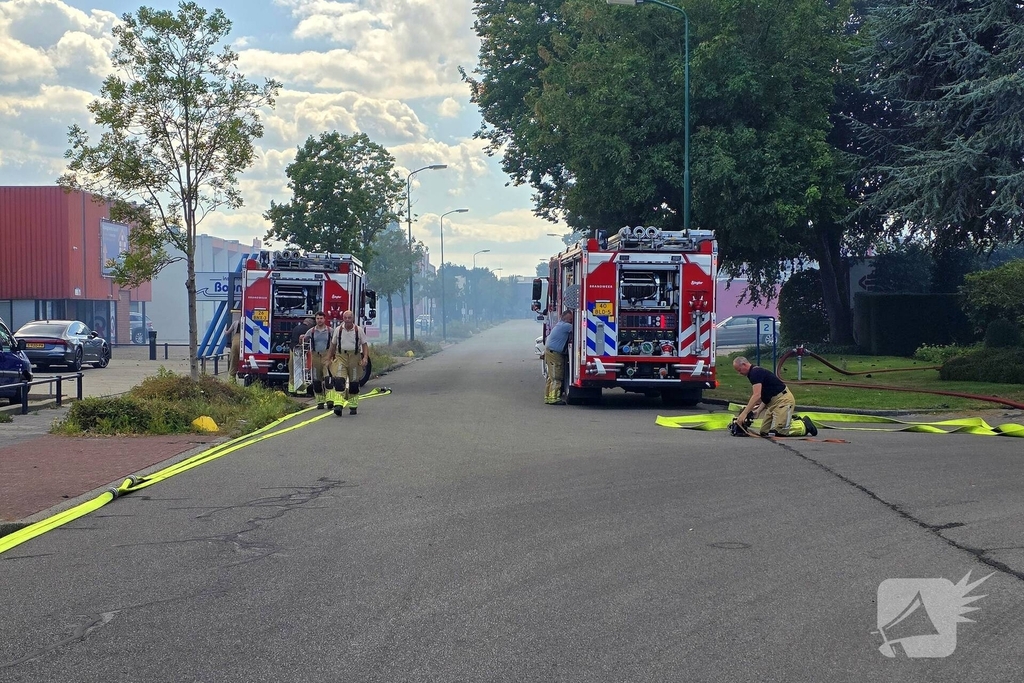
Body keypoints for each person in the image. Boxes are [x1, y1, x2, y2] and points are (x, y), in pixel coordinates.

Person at [732, 356, 816, 437]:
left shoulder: (755, 373)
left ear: (744, 364)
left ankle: (803, 425)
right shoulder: (753, 374)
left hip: (783, 400)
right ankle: (784, 420)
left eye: (739, 370)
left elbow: (756, 395)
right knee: (765, 432)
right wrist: (758, 411)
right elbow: (766, 395)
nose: (739, 373)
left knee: (777, 432)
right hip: (773, 403)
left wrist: (744, 413)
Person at [328, 309, 369, 415]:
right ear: (343, 319)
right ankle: (338, 405)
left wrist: (365, 358)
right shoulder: (338, 330)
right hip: (341, 357)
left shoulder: (359, 330)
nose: (347, 320)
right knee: (339, 380)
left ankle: (353, 406)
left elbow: (364, 345)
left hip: (354, 357)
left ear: (353, 319)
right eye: (345, 318)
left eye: (349, 318)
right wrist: (329, 359)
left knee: (354, 383)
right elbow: (333, 345)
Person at [302, 312, 334, 409]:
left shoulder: (330, 331)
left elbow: (336, 342)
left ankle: (330, 400)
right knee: (316, 381)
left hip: (326, 356)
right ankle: (320, 401)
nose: (319, 320)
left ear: (324, 319)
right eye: (317, 318)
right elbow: (304, 341)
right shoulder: (311, 331)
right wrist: (301, 338)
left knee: (328, 379)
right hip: (315, 356)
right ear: (315, 320)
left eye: (321, 318)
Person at [543, 310, 574, 405]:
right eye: (571, 319)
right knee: (556, 377)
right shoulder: (566, 326)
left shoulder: (559, 324)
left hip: (550, 352)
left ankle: (548, 397)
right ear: (567, 319)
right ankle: (554, 398)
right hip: (555, 354)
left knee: (551, 377)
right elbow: (578, 328)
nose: (572, 321)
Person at [288, 316, 315, 394]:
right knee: (301, 370)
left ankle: (291, 389)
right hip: (302, 350)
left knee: (292, 369)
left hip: (293, 349)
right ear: (310, 324)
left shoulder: (296, 328)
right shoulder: (308, 330)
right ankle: (301, 390)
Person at [225, 310, 241, 383]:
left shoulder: (235, 322)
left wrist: (225, 330)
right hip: (244, 342)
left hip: (235, 342)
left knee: (233, 361)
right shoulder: (247, 323)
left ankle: (232, 380)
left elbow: (227, 333)